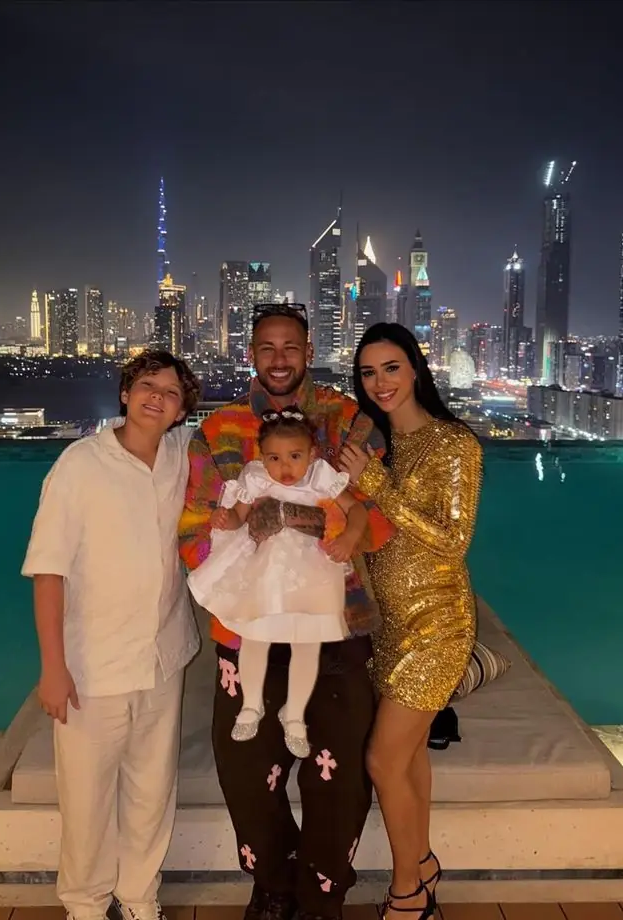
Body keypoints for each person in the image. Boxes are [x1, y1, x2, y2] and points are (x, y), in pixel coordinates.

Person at [179, 303, 394, 920]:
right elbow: (193, 528)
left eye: (291, 347)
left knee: (339, 775)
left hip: (335, 623)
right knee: (247, 771)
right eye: (267, 348)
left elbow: (379, 519)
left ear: (308, 351)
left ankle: (322, 894)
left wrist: (309, 523)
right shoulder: (218, 429)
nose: (279, 359)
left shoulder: (348, 421)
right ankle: (272, 886)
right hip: (245, 628)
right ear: (251, 354)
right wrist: (238, 549)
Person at [22, 351, 202, 920]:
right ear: (125, 393)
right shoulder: (80, 465)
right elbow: (48, 571)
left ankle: (140, 896)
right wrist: (53, 668)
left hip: (162, 657)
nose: (157, 398)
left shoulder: (182, 456)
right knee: (86, 798)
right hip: (91, 664)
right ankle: (85, 903)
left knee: (153, 790)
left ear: (181, 411)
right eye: (147, 385)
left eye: (171, 393)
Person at [339, 323, 483, 920]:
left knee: (382, 759)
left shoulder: (454, 443)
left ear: (416, 368)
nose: (381, 382)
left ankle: (408, 894)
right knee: (411, 753)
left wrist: (376, 485)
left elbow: (452, 540)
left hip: (439, 626)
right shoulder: (377, 447)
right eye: (369, 373)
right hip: (389, 625)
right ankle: (421, 863)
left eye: (391, 367)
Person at [187, 406, 370, 759]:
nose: (285, 467)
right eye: (274, 457)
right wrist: (226, 519)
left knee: (307, 643)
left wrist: (349, 536)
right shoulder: (256, 477)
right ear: (262, 456)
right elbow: (240, 516)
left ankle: (295, 714)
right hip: (268, 568)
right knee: (256, 636)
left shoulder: (320, 475)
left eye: (294, 456)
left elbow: (356, 510)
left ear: (311, 454)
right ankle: (251, 704)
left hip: (312, 570)